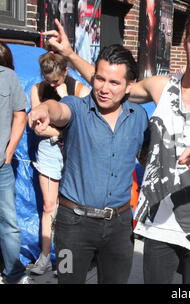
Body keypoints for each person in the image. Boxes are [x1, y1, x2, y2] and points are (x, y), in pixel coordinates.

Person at [43, 7, 190, 284]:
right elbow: (112, 85)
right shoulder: (161, 86)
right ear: (184, 42)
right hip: (158, 223)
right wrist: (70, 54)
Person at [28, 41, 149, 284]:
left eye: (114, 82)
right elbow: (58, 110)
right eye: (100, 79)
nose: (104, 88)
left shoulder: (139, 117)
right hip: (72, 227)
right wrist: (44, 108)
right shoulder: (78, 107)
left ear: (129, 86)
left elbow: (147, 157)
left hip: (120, 227)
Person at [29, 52, 90, 275]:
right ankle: (45, 257)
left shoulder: (79, 89)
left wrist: (66, 99)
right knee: (48, 206)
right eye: (48, 80)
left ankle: (66, 263)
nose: (52, 84)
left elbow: (85, 125)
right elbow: (37, 126)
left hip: (74, 151)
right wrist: (59, 132)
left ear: (66, 71)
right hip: (49, 151)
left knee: (72, 209)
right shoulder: (38, 89)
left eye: (56, 80)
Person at [0, 44, 32, 284]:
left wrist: (9, 151)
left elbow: (20, 115)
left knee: (9, 222)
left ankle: (14, 274)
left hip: (1, 167)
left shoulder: (8, 77)